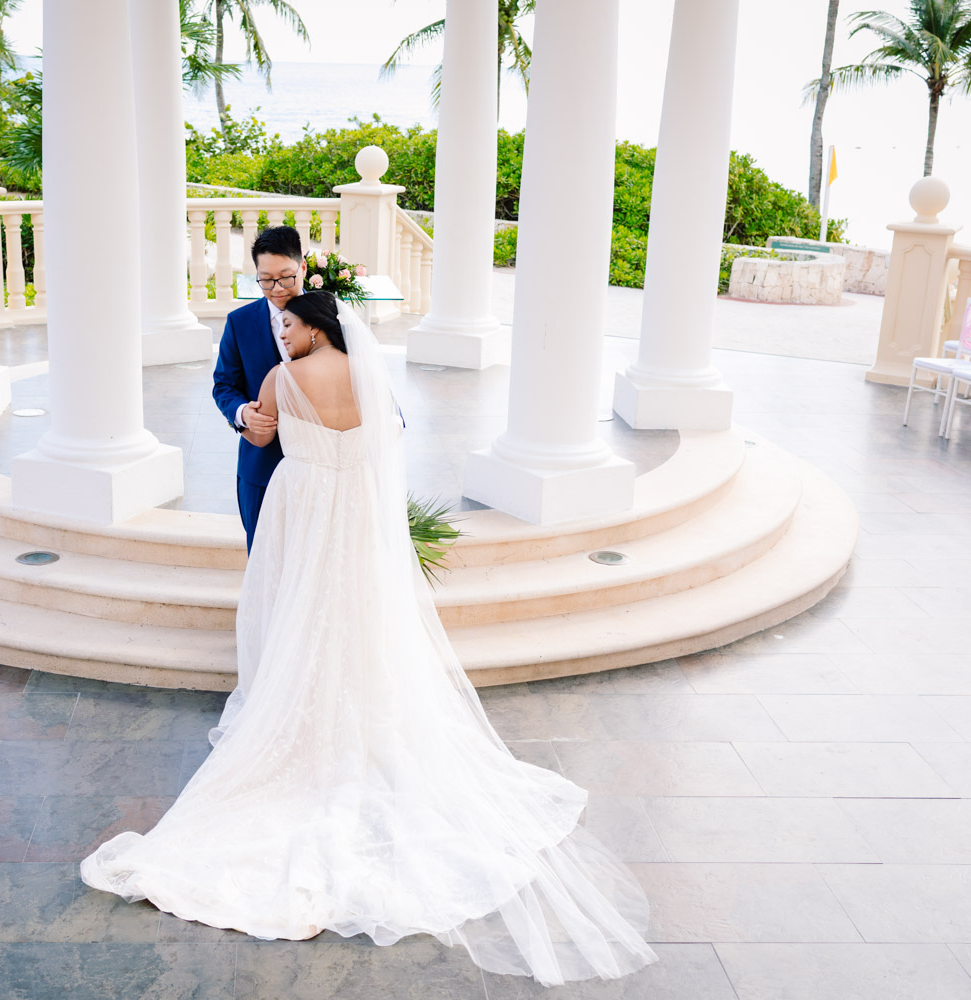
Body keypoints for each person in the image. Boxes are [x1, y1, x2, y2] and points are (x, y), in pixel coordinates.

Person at [83, 291, 656, 987]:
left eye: (290, 324)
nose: (282, 334)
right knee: (352, 607)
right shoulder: (371, 375)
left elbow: (260, 438)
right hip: (355, 508)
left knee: (297, 607)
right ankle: (357, 707)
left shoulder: (281, 378)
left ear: (314, 327)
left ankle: (293, 704)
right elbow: (388, 439)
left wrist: (260, 421)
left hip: (303, 503)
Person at [211, 225, 306, 552]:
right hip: (260, 466)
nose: (277, 289)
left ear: (303, 266)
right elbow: (224, 384)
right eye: (266, 280)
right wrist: (243, 414)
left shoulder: (333, 315)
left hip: (318, 466)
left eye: (286, 277)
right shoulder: (239, 322)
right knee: (263, 557)